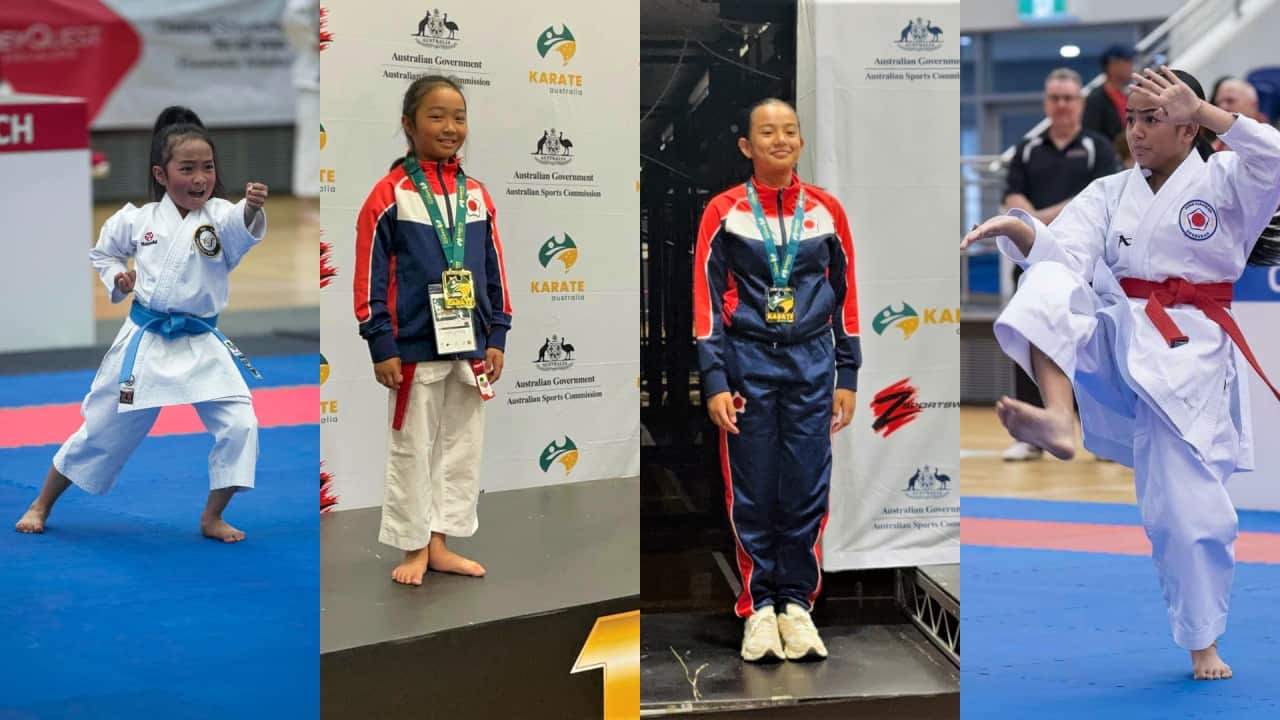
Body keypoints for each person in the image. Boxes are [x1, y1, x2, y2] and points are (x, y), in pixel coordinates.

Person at [962, 67, 1280, 680]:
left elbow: (1274, 155)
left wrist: (1212, 112)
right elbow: (1063, 250)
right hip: (1117, 339)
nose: (1134, 131)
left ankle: (1202, 641)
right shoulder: (1109, 192)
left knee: (1189, 519)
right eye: (1130, 119)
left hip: (1190, 358)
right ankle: (1058, 416)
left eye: (1151, 118)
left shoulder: (1228, 181)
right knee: (1049, 277)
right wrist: (1020, 230)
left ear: (1188, 125)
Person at [14, 106, 269, 542]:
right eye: (186, 168)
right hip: (146, 341)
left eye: (207, 167)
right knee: (100, 429)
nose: (200, 178)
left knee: (241, 426)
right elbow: (103, 253)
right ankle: (41, 502)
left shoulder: (221, 216)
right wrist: (118, 277)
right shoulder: (138, 220)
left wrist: (249, 208)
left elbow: (239, 228)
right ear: (161, 173)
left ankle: (212, 517)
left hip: (201, 341)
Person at [694, 98, 860, 662]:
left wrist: (848, 371)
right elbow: (707, 303)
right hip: (748, 366)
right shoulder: (723, 212)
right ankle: (758, 607)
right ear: (747, 146)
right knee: (754, 488)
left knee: (806, 487)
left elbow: (846, 296)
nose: (780, 140)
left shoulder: (827, 211)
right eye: (767, 132)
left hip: (814, 366)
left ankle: (797, 605)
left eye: (789, 131)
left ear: (801, 143)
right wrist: (714, 378)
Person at [353, 75, 513, 587]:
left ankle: (442, 542)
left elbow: (495, 272)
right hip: (413, 345)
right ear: (408, 124)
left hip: (469, 344)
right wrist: (381, 342)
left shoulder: (477, 195)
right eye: (437, 116)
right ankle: (414, 544)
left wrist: (498, 336)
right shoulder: (390, 194)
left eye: (459, 117)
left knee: (459, 447)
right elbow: (368, 277)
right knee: (412, 445)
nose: (450, 127)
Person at [1001, 68, 1120, 461]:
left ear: (1080, 104)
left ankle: (1100, 435)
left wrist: (1036, 222)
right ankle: (1033, 436)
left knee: (1091, 343)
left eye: (1069, 98)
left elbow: (1091, 204)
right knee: (1028, 328)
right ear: (1046, 103)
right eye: (1055, 98)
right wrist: (1033, 224)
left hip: (1083, 265)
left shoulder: (1097, 147)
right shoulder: (1027, 148)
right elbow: (1011, 201)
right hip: (1033, 261)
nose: (1062, 105)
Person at [1083, 45, 1134, 144]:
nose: (1131, 67)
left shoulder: (1127, 96)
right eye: (1127, 62)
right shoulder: (1095, 99)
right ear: (1112, 66)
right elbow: (1091, 135)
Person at [1211, 78, 1268, 150]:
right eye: (1218, 102)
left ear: (1253, 103)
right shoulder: (1214, 147)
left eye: (1230, 101)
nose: (1223, 107)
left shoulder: (1272, 137)